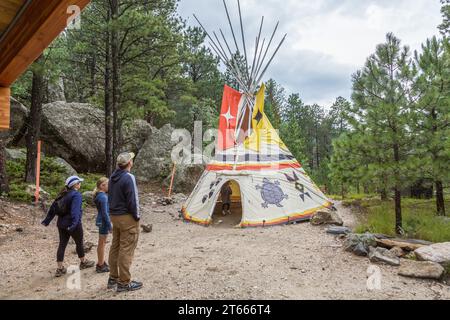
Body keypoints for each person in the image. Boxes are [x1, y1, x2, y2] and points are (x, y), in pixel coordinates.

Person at [42, 176, 95, 277]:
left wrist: (47, 221)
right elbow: (75, 212)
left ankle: (60, 268)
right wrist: (74, 224)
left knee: (62, 244)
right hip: (73, 224)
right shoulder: (76, 195)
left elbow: (53, 208)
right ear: (75, 184)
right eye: (79, 182)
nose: (80, 183)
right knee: (79, 242)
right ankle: (83, 262)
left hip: (61, 223)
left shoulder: (62, 194)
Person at [107, 152, 143, 292]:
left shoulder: (113, 177)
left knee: (115, 247)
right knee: (126, 249)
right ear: (129, 163)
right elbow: (133, 199)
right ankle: (124, 282)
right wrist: (137, 216)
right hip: (127, 217)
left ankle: (113, 278)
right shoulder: (129, 177)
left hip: (114, 216)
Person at [94, 177, 112, 273]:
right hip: (104, 222)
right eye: (108, 184)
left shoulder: (101, 195)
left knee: (102, 243)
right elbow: (105, 213)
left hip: (102, 221)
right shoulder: (103, 197)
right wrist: (110, 226)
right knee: (102, 243)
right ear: (102, 186)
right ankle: (100, 265)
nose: (109, 186)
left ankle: (101, 262)